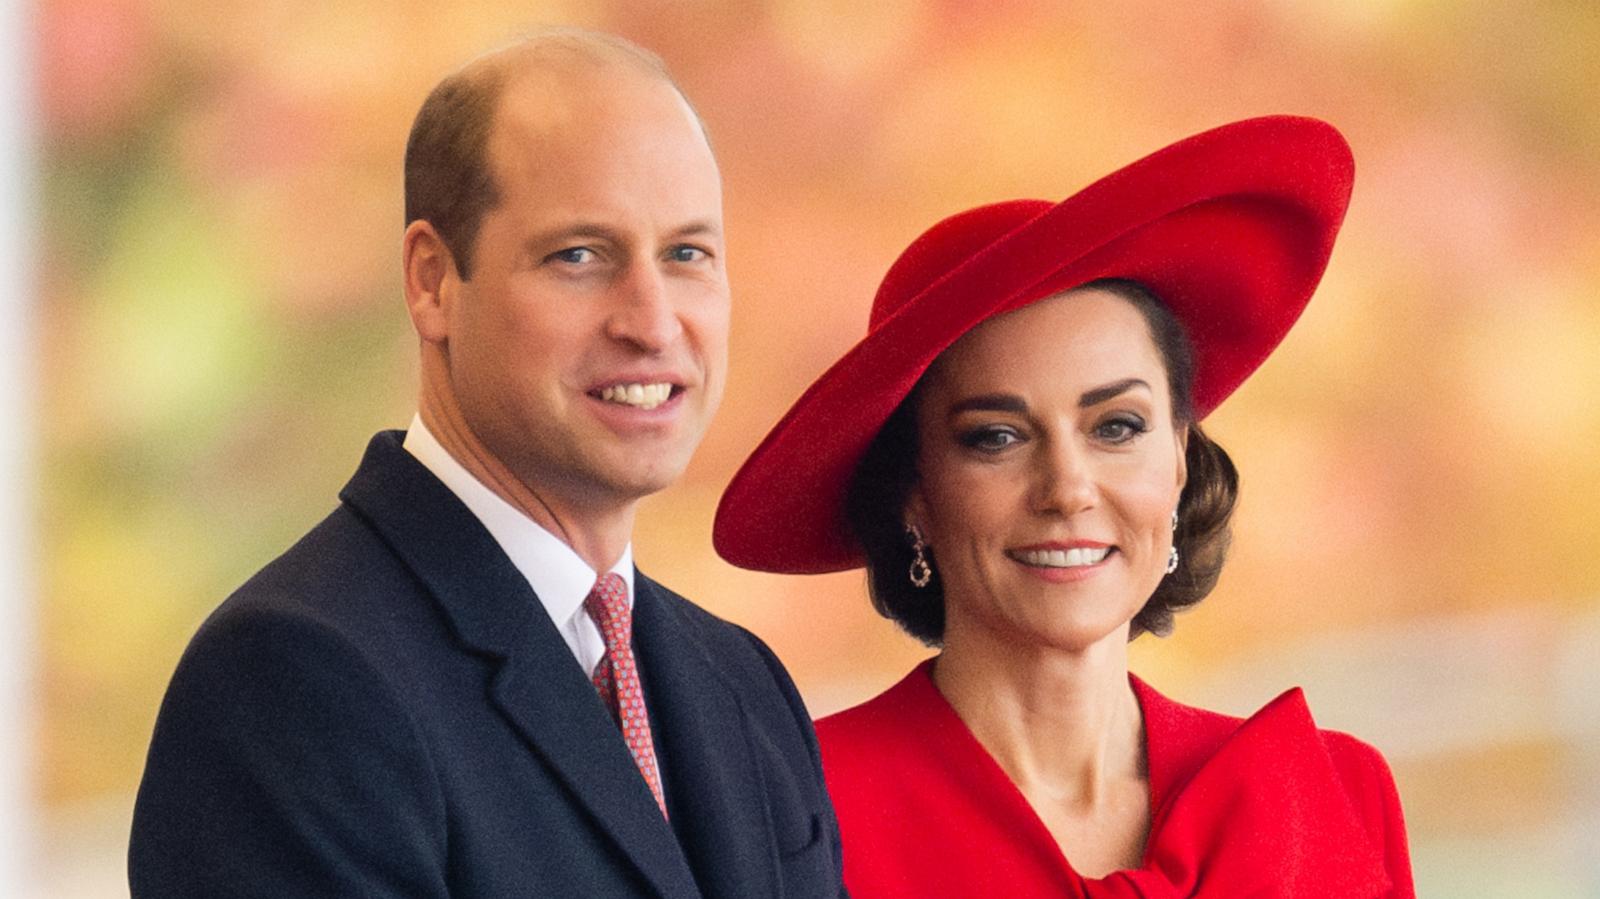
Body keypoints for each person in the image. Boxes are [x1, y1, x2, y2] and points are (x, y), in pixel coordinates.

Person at [130, 31, 843, 898]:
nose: (654, 323)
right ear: (433, 281)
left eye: (687, 254)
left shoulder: (742, 684)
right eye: (580, 255)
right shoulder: (295, 678)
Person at [714, 116, 1415, 897]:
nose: (1068, 488)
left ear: (1180, 458)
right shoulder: (789, 816)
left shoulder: (1336, 797)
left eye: (1116, 426)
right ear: (913, 488)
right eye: (997, 437)